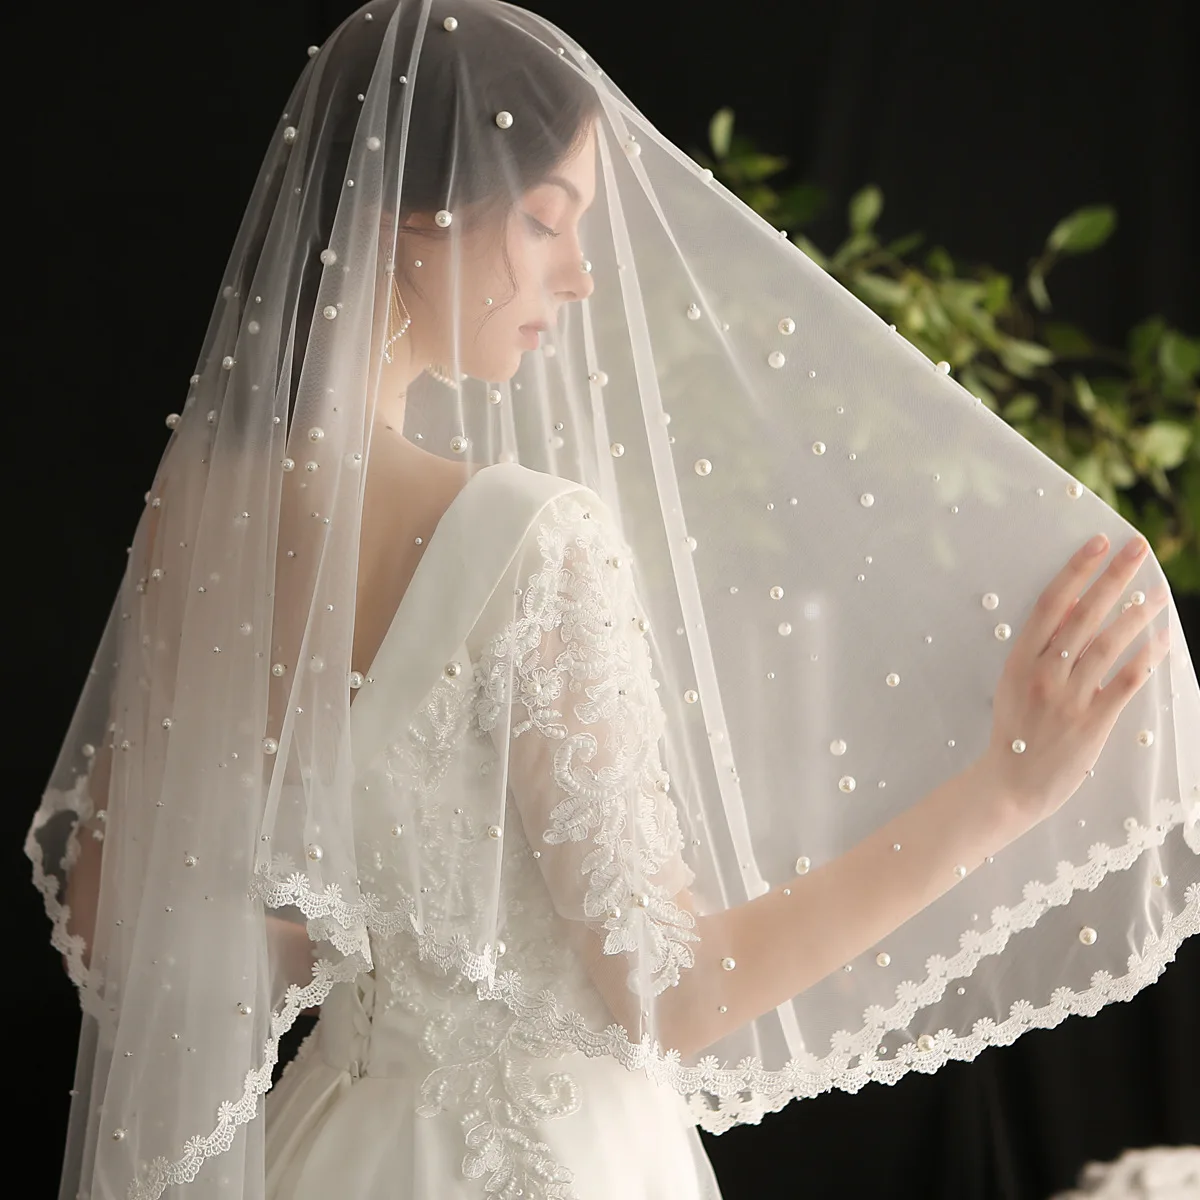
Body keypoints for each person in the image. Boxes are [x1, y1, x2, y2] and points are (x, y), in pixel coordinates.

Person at [26, 1, 1198, 1197]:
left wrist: (378, 955)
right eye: (544, 221)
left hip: (328, 1150)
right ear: (416, 216)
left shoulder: (201, 508)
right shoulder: (532, 540)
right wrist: (1004, 792)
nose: (579, 277)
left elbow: (113, 905)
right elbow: (675, 994)